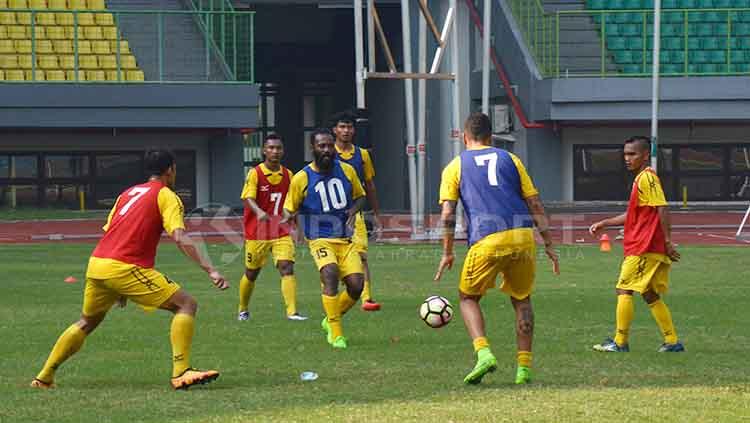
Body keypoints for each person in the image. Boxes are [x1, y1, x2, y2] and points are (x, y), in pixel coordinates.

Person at [30, 149, 228, 390]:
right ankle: (181, 371)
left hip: (98, 264)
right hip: (125, 266)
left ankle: (44, 377)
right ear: (170, 170)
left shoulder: (127, 193)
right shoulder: (167, 196)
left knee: (87, 321)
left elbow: (112, 230)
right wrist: (211, 270)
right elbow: (179, 236)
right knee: (186, 304)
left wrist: (119, 289)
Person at [434, 112, 559, 385]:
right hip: (522, 235)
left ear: (464, 137)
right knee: (522, 299)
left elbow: (447, 215)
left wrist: (447, 252)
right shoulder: (511, 159)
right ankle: (523, 369)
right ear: (491, 137)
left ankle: (483, 353)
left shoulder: (455, 166)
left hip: (486, 238)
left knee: (468, 298)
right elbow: (535, 204)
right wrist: (548, 243)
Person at [590, 136, 684, 353]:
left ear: (644, 155)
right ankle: (672, 342)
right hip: (646, 246)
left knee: (623, 289)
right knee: (649, 294)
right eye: (625, 154)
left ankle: (620, 342)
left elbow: (662, 207)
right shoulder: (641, 179)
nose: (627, 158)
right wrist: (606, 223)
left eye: (632, 154)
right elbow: (633, 213)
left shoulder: (647, 178)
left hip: (644, 247)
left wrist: (668, 241)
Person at [282, 129, 366, 350]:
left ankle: (330, 317)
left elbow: (360, 196)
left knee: (357, 286)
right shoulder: (301, 177)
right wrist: (291, 222)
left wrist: (352, 211)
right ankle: (336, 334)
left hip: (345, 239)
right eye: (322, 146)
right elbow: (290, 207)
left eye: (330, 146)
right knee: (329, 273)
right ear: (313, 148)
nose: (327, 150)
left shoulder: (347, 171)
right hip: (319, 239)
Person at [237, 134, 307, 322]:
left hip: (281, 231)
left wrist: (298, 228)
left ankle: (292, 312)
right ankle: (243, 309)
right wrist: (259, 212)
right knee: (251, 273)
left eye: (278, 148)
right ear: (264, 151)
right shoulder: (255, 173)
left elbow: (293, 203)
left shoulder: (288, 175)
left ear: (282, 151)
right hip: (257, 233)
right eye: (271, 148)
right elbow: (248, 197)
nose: (275, 151)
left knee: (286, 267)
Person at [331, 111, 382, 311]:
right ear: (335, 130)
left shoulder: (362, 155)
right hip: (331, 215)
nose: (346, 130)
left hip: (355, 213)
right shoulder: (327, 152)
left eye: (349, 127)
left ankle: (366, 297)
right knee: (334, 259)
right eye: (342, 126)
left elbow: (370, 185)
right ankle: (332, 295)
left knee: (361, 255)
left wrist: (377, 214)